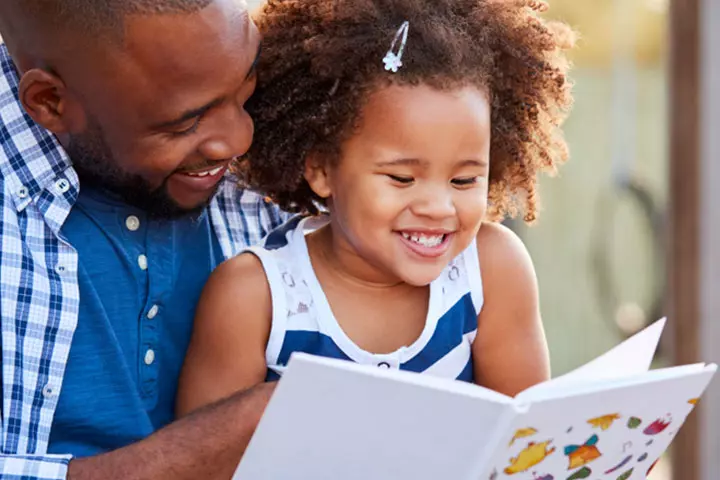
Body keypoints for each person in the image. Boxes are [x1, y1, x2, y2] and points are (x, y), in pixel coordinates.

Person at [177, 0, 575, 418]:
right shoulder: (254, 296)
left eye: (463, 181)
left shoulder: (491, 271)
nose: (439, 208)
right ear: (321, 169)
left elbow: (525, 444)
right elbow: (203, 459)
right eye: (402, 179)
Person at [0, 1, 288, 479]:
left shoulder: (276, 174)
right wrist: (191, 456)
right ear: (51, 103)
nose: (238, 139)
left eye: (245, 90)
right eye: (184, 123)